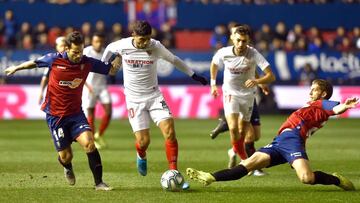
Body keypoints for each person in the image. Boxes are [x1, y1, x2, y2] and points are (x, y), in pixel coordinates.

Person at [187, 79, 358, 191]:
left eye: (314, 89)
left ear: (323, 94)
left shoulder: (322, 104)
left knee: (307, 178)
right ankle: (210, 177)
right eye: (311, 89)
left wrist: (345, 105)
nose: (310, 92)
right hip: (279, 142)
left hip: (293, 141)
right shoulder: (313, 105)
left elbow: (335, 109)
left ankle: (336, 180)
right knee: (247, 164)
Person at [4, 31, 121, 191]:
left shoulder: (87, 62)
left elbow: (112, 70)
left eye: (80, 51)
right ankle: (67, 166)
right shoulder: (54, 59)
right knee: (66, 156)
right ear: (67, 48)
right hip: (55, 116)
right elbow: (34, 63)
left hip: (76, 115)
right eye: (75, 52)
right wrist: (16, 68)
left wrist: (121, 54)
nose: (78, 55)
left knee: (89, 144)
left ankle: (99, 183)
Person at [101, 20, 207, 189]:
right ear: (133, 35)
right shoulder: (122, 45)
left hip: (154, 96)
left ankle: (174, 172)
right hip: (134, 100)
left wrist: (193, 75)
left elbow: (174, 59)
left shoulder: (155, 46)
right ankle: (141, 154)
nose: (145, 43)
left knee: (170, 132)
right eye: (142, 40)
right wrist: (104, 65)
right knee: (143, 142)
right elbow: (108, 50)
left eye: (148, 39)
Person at [210, 25, 276, 167]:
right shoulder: (224, 52)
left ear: (249, 41)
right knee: (234, 128)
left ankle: (234, 151)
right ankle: (244, 160)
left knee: (243, 131)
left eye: (244, 41)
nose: (241, 44)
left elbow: (271, 76)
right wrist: (213, 84)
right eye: (238, 40)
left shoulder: (253, 54)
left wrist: (257, 82)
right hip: (230, 93)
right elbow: (214, 64)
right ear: (232, 38)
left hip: (248, 96)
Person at [82, 33, 112, 149]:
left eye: (100, 41)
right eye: (96, 41)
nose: (98, 44)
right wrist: (85, 84)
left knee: (108, 112)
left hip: (102, 87)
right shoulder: (86, 52)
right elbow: (79, 70)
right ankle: (93, 140)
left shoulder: (106, 52)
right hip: (89, 87)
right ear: (92, 41)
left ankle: (99, 134)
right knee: (91, 115)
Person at [38, 36, 66, 104]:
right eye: (61, 46)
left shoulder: (73, 60)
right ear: (57, 47)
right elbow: (45, 78)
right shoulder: (52, 60)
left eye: (65, 46)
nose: (64, 48)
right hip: (55, 95)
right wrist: (41, 93)